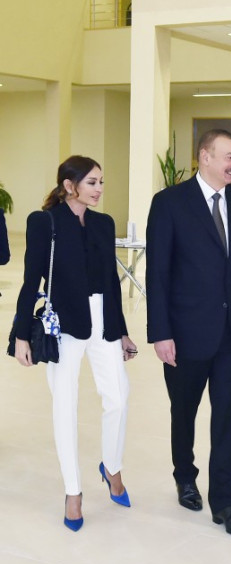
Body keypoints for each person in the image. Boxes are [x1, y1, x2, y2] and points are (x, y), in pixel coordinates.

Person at [146, 129, 231, 538]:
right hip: (184, 333)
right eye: (229, 157)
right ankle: (185, 475)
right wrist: (160, 333)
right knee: (183, 412)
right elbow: (158, 275)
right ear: (205, 157)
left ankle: (225, 500)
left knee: (225, 416)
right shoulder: (169, 204)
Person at [13, 155, 137, 532]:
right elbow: (31, 278)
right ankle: (73, 491)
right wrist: (20, 334)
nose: (100, 189)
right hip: (63, 323)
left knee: (118, 395)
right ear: (70, 185)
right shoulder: (44, 222)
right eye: (93, 182)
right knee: (64, 405)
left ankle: (110, 465)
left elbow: (112, 283)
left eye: (101, 182)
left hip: (102, 319)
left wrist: (122, 331)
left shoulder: (103, 223)